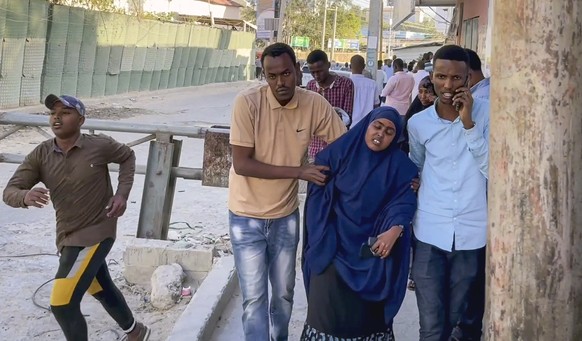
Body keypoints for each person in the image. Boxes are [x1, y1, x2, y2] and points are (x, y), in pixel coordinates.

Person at [2, 95, 150, 341]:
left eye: (65, 112)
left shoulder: (99, 145)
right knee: (98, 285)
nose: (57, 117)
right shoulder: (41, 154)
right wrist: (24, 196)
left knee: (62, 303)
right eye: (52, 113)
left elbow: (127, 156)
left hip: (97, 230)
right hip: (67, 234)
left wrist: (122, 194)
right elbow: (10, 191)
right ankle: (136, 332)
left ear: (81, 120)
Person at [228, 42, 347, 341]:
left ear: (297, 70)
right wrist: (300, 171)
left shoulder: (314, 104)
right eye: (271, 76)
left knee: (283, 295)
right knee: (254, 299)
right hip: (245, 216)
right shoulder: (247, 102)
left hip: (285, 216)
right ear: (264, 75)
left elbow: (345, 148)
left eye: (285, 73)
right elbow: (241, 164)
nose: (280, 82)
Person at [301, 107, 418, 341]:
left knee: (367, 323)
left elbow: (402, 203)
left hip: (371, 255)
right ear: (367, 125)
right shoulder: (337, 155)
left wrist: (395, 230)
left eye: (389, 131)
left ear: (395, 137)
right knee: (326, 320)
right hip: (332, 250)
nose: (380, 134)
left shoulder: (400, 167)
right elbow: (317, 199)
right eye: (377, 126)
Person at [407, 45, 489, 341]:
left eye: (457, 78)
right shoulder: (418, 123)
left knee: (459, 319)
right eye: (441, 77)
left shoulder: (487, 114)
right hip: (430, 230)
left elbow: (493, 170)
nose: (448, 85)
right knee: (431, 326)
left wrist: (469, 125)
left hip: (472, 231)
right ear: (432, 76)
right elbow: (416, 166)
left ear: (469, 78)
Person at [306, 49, 354, 161]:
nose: (316, 75)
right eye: (312, 72)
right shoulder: (311, 86)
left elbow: (346, 117)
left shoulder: (345, 84)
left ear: (328, 65)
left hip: (336, 146)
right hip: (314, 148)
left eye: (319, 71)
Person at [401, 76, 436, 154]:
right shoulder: (415, 108)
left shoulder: (439, 112)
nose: (423, 96)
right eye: (420, 92)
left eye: (427, 92)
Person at [350, 55, 381, 127]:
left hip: (350, 125)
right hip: (367, 124)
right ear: (364, 66)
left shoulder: (345, 83)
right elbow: (376, 105)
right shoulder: (372, 84)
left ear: (350, 66)